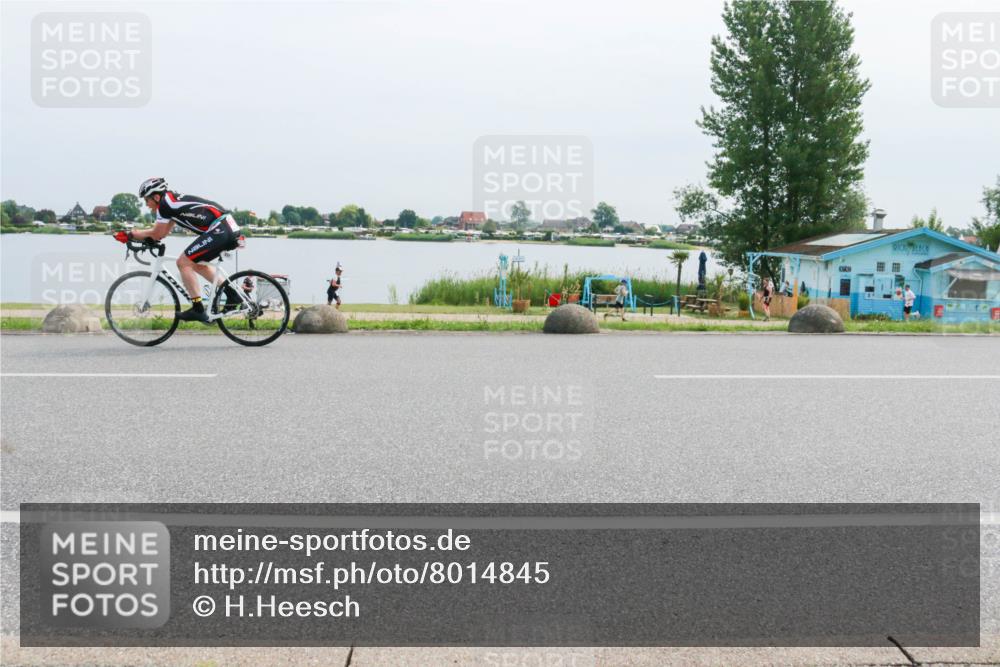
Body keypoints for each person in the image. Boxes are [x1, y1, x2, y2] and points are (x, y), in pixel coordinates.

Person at [118, 178, 242, 322]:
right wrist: (144, 238)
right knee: (196, 264)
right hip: (226, 227)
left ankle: (198, 309)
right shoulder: (170, 203)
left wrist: (131, 234)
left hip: (220, 229)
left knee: (183, 262)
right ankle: (232, 295)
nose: (146, 204)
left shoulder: (165, 205)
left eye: (147, 200)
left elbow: (157, 233)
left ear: (156, 197)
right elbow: (162, 234)